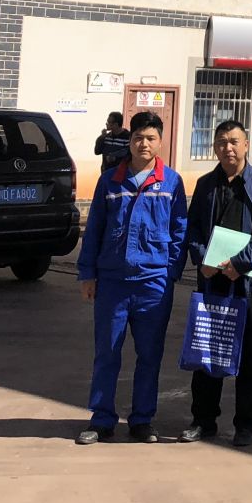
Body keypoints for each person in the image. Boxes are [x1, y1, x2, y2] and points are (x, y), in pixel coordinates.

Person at [75, 111, 188, 445]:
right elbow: (94, 229)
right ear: (130, 140)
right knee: (107, 352)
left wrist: (170, 271)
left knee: (149, 355)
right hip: (113, 282)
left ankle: (142, 420)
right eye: (138, 137)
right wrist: (88, 273)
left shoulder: (171, 182)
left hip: (154, 284)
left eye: (151, 138)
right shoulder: (110, 180)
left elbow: (180, 230)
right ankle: (101, 420)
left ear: (160, 141)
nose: (144, 144)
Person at [180, 119, 252, 448]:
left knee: (250, 357)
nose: (228, 148)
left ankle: (246, 424)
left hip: (250, 285)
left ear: (246, 145)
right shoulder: (206, 185)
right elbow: (193, 227)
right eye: (222, 142)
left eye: (234, 141)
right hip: (212, 281)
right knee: (207, 351)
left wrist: (241, 263)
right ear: (214, 147)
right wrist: (202, 259)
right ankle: (203, 420)